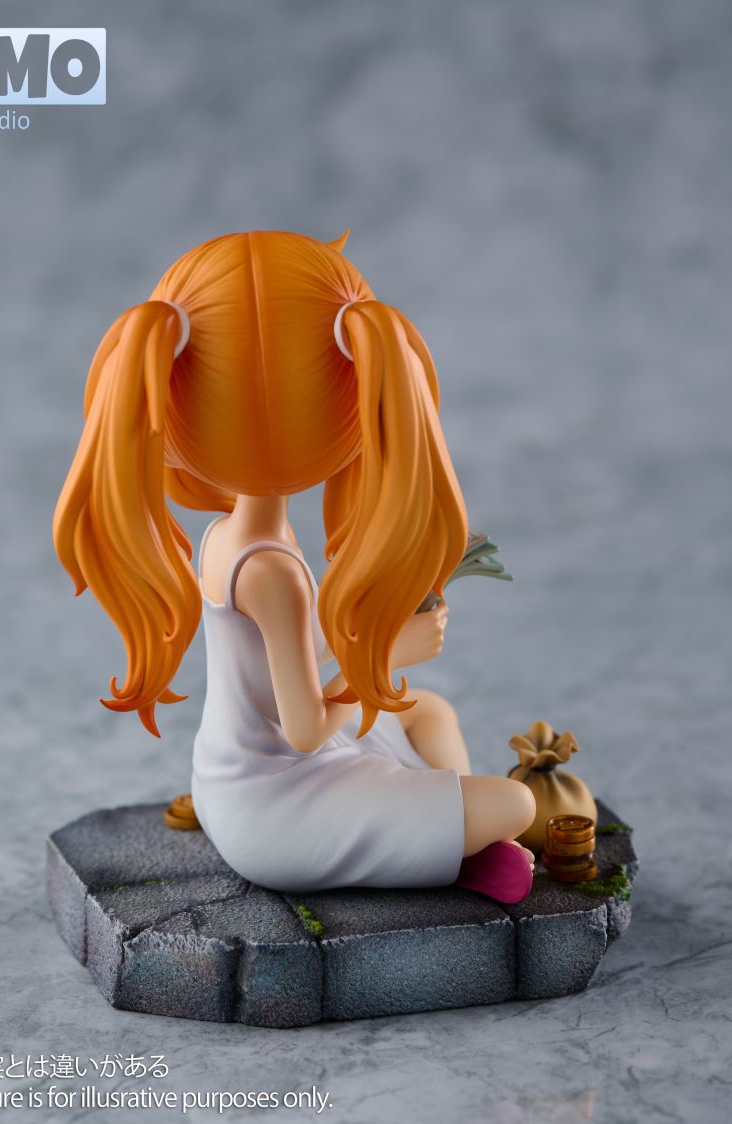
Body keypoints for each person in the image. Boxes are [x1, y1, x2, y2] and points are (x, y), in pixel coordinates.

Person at [53, 229, 535, 899]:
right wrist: (386, 655)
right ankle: (457, 838)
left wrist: (365, 634)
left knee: (429, 712)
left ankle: (445, 837)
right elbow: (305, 731)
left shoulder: (228, 533)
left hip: (233, 777)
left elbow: (291, 675)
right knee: (517, 803)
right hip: (279, 812)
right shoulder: (270, 572)